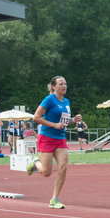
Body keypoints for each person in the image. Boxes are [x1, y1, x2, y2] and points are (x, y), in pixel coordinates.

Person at [26, 76, 81, 209]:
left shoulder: (66, 101)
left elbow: (64, 122)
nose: (64, 86)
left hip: (60, 139)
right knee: (46, 173)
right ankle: (35, 163)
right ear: (53, 87)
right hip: (47, 137)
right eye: (61, 84)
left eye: (65, 84)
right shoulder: (49, 99)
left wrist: (74, 119)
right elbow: (36, 117)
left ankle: (54, 199)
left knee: (63, 167)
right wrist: (54, 125)